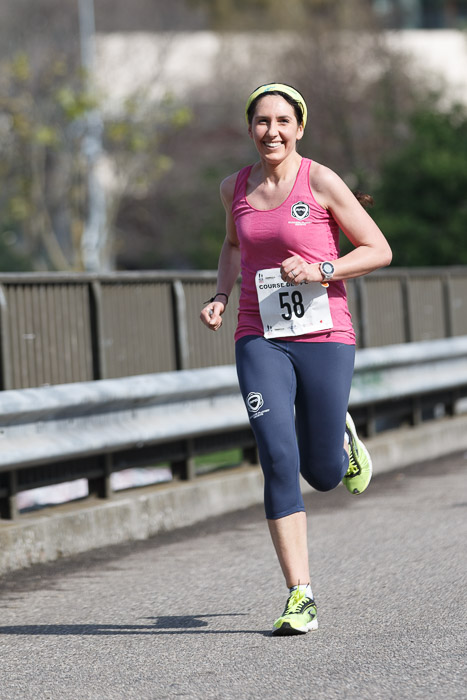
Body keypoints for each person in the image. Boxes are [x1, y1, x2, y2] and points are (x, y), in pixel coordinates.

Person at [200, 83, 392, 636]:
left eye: (283, 121)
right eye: (262, 122)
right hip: (259, 335)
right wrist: (221, 295)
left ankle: (340, 441)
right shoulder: (233, 187)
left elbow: (378, 249)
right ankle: (300, 594)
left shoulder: (321, 181)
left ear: (299, 127)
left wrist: (321, 270)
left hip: (324, 335)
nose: (272, 132)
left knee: (323, 475)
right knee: (277, 457)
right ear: (250, 128)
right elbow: (233, 245)